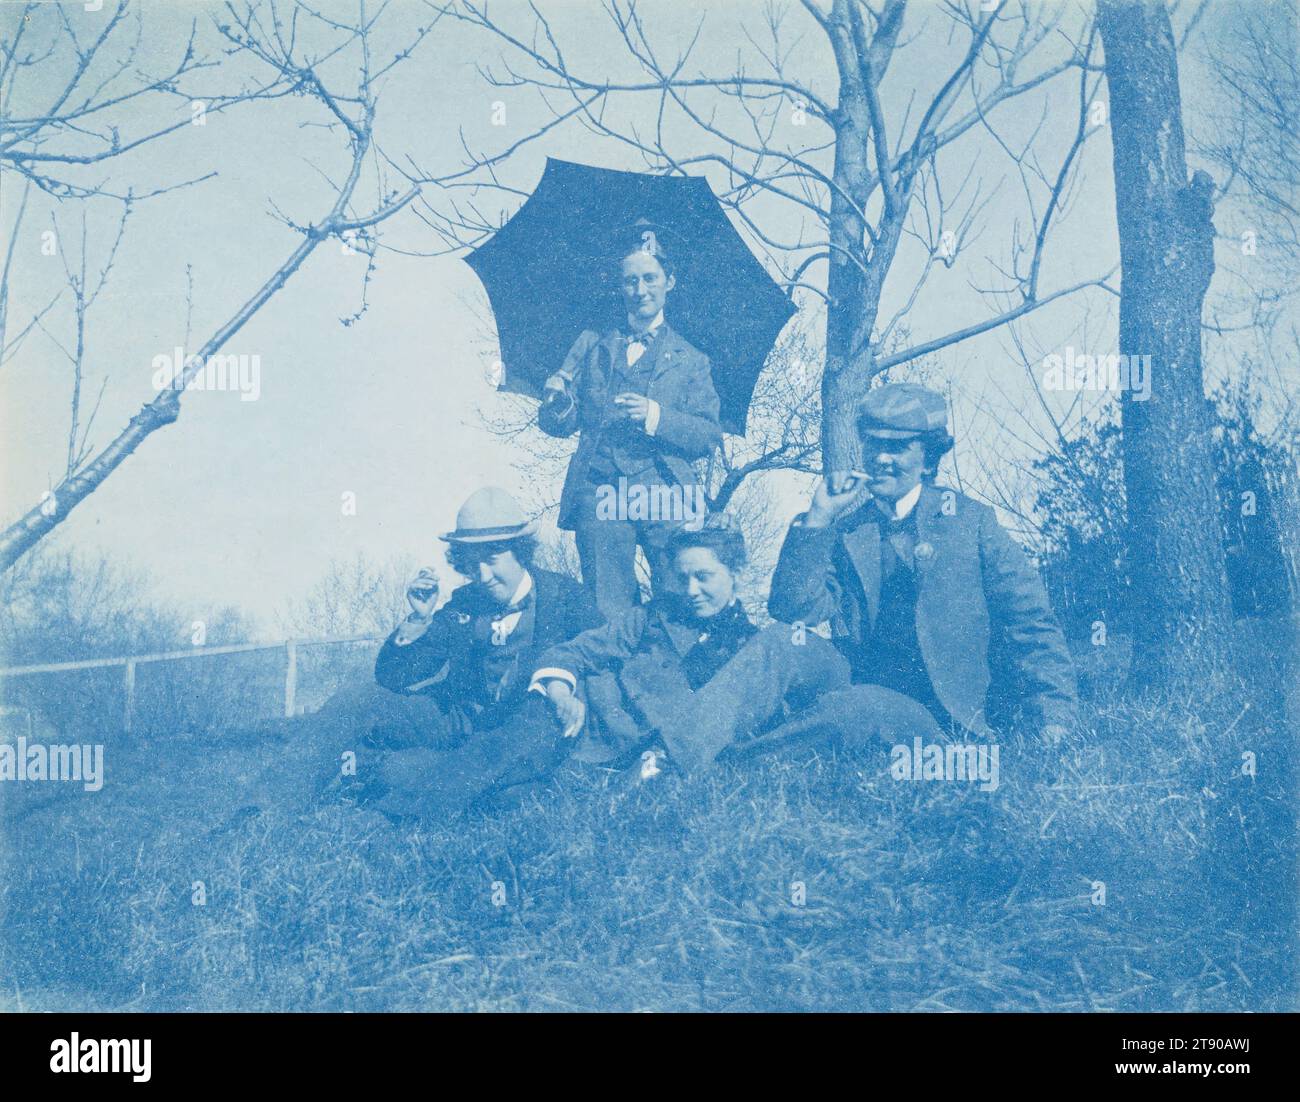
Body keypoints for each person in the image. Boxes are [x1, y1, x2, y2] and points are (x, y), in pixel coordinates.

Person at [238, 487, 600, 820]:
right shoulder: (464, 604)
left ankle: (393, 790)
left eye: (493, 558)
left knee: (495, 784)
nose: (484, 575)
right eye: (472, 564)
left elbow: (600, 662)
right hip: (457, 721)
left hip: (519, 733)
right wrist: (418, 619)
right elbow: (395, 677)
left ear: (520, 550)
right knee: (361, 699)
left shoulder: (567, 599)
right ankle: (264, 808)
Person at [768, 383, 1078, 743]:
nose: (882, 458)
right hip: (863, 690)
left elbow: (1030, 622)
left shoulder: (970, 522)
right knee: (779, 641)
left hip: (945, 715)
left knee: (856, 709)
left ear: (928, 458)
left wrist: (1054, 716)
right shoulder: (848, 530)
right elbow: (794, 612)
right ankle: (693, 748)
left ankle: (736, 762)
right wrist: (819, 517)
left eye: (897, 447)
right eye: (874, 444)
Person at [530, 517, 940, 777]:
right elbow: (569, 653)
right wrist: (561, 690)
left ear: (736, 574)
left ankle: (678, 766)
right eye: (683, 578)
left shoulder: (756, 648)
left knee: (855, 707)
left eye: (704, 576)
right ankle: (666, 764)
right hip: (626, 750)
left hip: (728, 755)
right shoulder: (650, 619)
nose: (691, 590)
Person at [538, 223, 724, 617]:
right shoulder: (592, 348)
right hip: (599, 488)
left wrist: (654, 415)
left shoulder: (692, 360)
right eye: (630, 281)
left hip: (665, 490)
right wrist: (557, 402)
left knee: (680, 595)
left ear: (669, 281)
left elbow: (708, 436)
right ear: (620, 287)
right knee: (607, 607)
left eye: (650, 278)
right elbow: (561, 426)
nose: (640, 290)